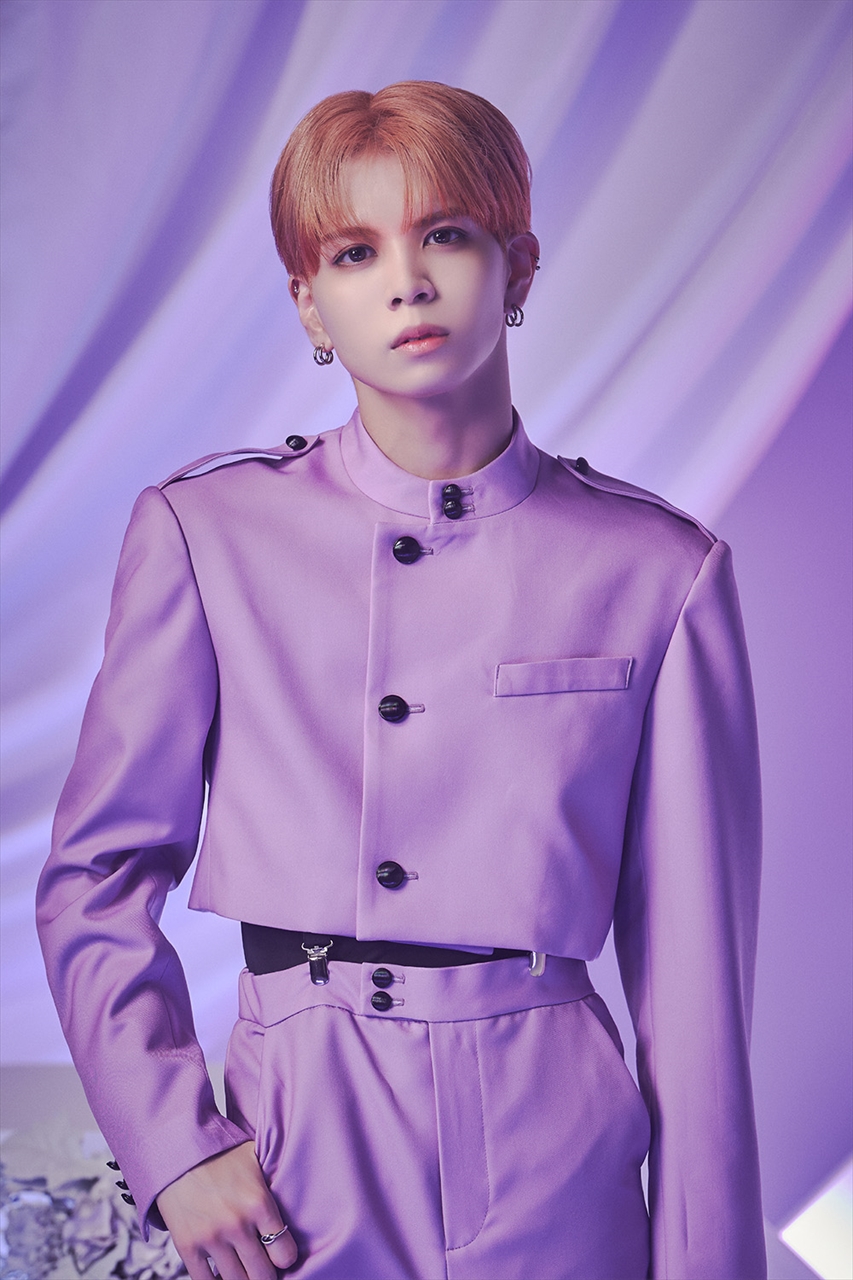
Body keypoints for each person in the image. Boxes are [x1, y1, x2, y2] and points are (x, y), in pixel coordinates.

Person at [36, 82, 766, 1280]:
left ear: (517, 265)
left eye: (446, 234)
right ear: (308, 303)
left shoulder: (658, 568)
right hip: (294, 1140)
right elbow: (96, 877)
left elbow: (696, 990)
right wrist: (173, 1147)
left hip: (556, 1140)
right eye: (355, 251)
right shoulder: (206, 530)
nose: (406, 282)